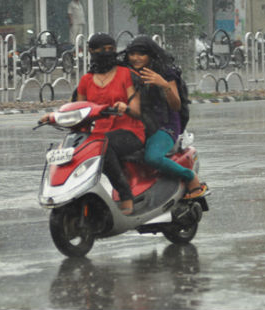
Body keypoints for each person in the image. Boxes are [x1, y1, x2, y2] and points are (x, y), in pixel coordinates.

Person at [40, 33, 144, 215]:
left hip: (129, 131)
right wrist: (53, 115)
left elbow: (136, 110)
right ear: (91, 52)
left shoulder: (126, 74)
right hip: (97, 135)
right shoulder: (86, 80)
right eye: (102, 50)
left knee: (103, 146)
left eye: (111, 49)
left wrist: (125, 108)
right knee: (75, 150)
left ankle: (126, 195)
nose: (107, 53)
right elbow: (77, 109)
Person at [123, 35, 206, 199]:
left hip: (165, 124)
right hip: (138, 123)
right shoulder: (126, 72)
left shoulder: (166, 73)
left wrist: (163, 84)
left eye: (141, 54)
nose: (136, 58)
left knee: (152, 158)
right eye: (132, 54)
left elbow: (176, 105)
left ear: (151, 55)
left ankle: (190, 177)